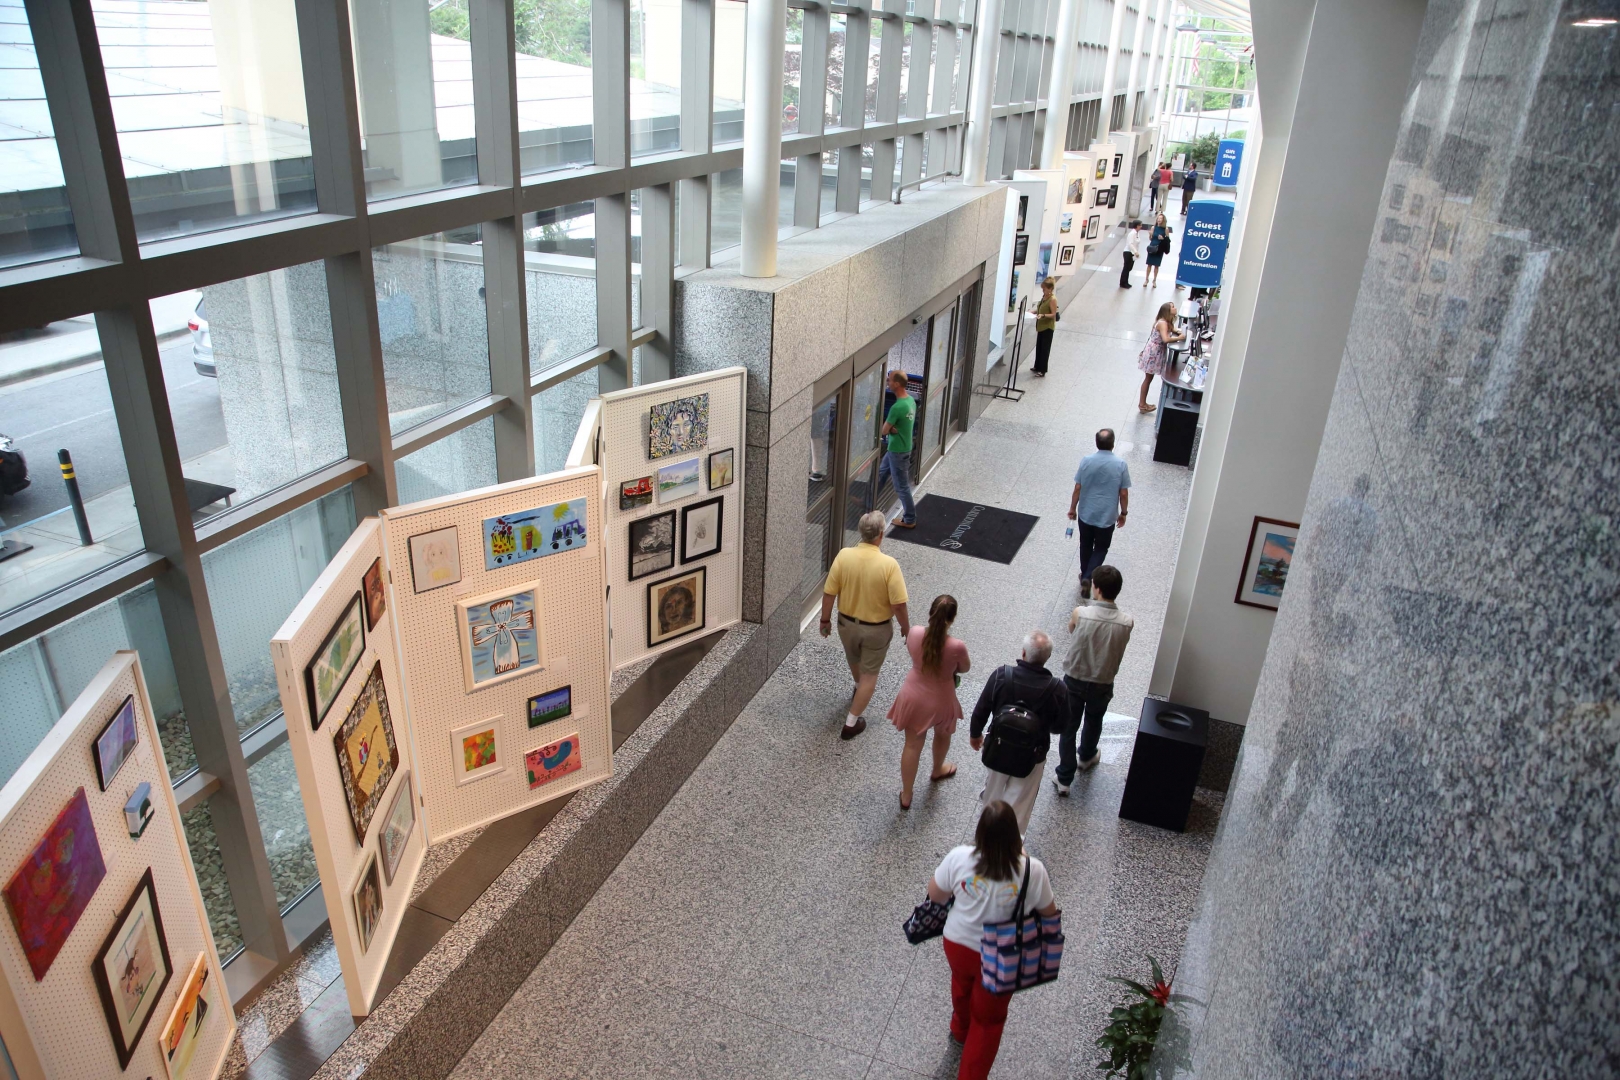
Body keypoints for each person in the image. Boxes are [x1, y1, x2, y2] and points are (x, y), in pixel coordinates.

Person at [925, 801, 1059, 1080]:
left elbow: (935, 895)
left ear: (980, 833)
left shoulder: (959, 857)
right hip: (1001, 955)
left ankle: (960, 1028)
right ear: (1015, 836)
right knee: (989, 1020)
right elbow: (1049, 913)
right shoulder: (1033, 871)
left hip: (957, 944)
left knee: (961, 983)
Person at [821, 510, 910, 739]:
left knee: (854, 659)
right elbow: (899, 604)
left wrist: (825, 619)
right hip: (876, 630)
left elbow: (830, 592)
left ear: (861, 533)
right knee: (870, 674)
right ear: (881, 534)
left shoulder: (844, 556)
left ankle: (859, 689)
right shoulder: (889, 565)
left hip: (846, 625)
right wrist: (905, 628)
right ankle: (851, 723)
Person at [968, 632, 1068, 832]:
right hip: (1033, 755)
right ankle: (1011, 845)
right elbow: (1060, 727)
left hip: (998, 747)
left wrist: (975, 734)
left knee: (992, 794)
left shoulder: (1001, 675)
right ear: (1047, 658)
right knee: (1020, 804)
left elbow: (982, 709)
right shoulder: (1057, 689)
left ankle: (984, 837)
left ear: (1023, 653)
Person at [1053, 566, 1135, 794]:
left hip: (1075, 679)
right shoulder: (1127, 621)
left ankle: (1064, 778)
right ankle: (1087, 756)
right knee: (1094, 719)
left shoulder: (1081, 613)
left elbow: (1072, 630)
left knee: (1069, 727)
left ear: (1096, 589)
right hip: (1103, 682)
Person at [887, 594, 971, 808]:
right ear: (952, 619)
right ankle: (937, 769)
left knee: (912, 745)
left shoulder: (914, 633)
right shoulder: (957, 646)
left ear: (930, 613)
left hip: (913, 695)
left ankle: (906, 794)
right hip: (942, 698)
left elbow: (913, 653)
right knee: (942, 735)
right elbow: (964, 668)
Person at [1067, 428, 1130, 583]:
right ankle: (1089, 576)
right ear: (1113, 444)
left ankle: (1084, 573)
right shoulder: (1120, 465)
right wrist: (1123, 513)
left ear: (1096, 443)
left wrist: (1073, 508)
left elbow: (1077, 487)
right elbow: (1123, 493)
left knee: (1085, 544)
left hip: (1086, 513)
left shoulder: (1086, 461)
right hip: (1107, 516)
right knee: (1101, 548)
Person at [877, 370, 918, 528]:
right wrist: (894, 428)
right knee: (881, 473)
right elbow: (901, 425)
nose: (887, 381)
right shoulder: (910, 401)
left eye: (890, 380)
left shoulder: (897, 407)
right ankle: (866, 501)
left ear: (897, 384)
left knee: (901, 486)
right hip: (902, 447)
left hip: (898, 451)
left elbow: (884, 430)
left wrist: (891, 428)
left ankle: (909, 519)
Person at [1137, 301, 1186, 413]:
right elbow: (1166, 339)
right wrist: (1180, 338)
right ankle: (1142, 404)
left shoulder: (1165, 322)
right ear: (1168, 311)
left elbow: (1170, 330)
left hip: (1156, 352)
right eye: (1172, 307)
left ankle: (1143, 404)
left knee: (1149, 378)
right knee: (1148, 378)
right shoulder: (1163, 323)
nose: (1175, 308)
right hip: (1153, 353)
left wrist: (1177, 331)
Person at [1031, 278, 1058, 375]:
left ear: (1050, 289)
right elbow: (1041, 308)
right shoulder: (1044, 297)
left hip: (1047, 327)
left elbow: (1053, 314)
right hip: (1041, 326)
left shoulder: (1052, 300)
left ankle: (1042, 370)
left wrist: (1043, 315)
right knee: (1039, 347)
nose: (1043, 291)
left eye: (1045, 289)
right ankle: (1037, 366)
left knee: (1045, 349)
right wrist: (1034, 312)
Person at [1143, 214, 1171, 288]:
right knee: (1149, 264)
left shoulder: (1166, 229)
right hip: (1152, 246)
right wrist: (1150, 235)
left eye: (1161, 218)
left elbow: (1168, 240)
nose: (1159, 220)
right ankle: (1146, 279)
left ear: (1163, 220)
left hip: (1159, 248)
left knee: (1156, 265)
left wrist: (1163, 238)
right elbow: (1151, 238)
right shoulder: (1153, 227)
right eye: (1158, 218)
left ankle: (1154, 280)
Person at [1120, 225, 1140, 289]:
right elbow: (1130, 244)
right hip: (1128, 252)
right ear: (1137, 226)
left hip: (1132, 253)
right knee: (1126, 268)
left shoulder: (1137, 233)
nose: (1141, 226)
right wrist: (1135, 251)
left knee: (1129, 268)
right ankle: (1123, 283)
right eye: (1140, 225)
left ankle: (1126, 282)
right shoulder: (1132, 234)